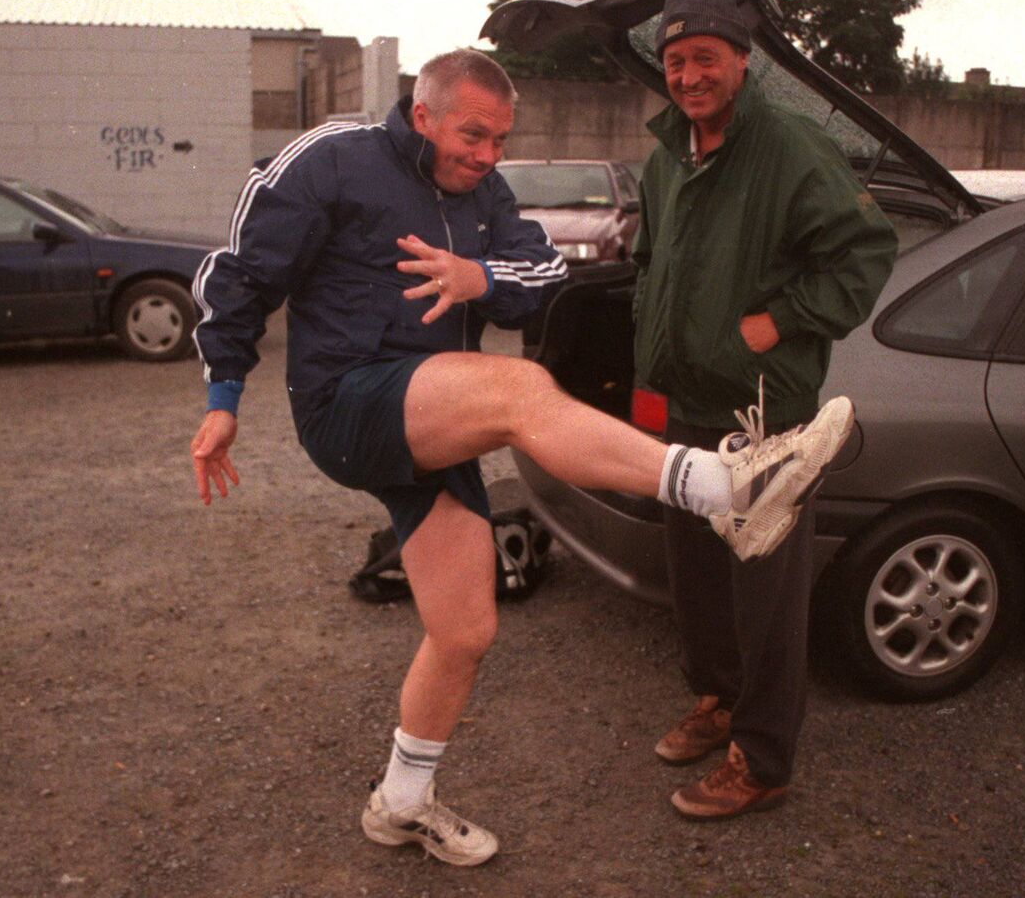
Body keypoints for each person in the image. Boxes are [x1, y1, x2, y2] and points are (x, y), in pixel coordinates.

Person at [188, 47, 853, 867]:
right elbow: (243, 270)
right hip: (349, 399)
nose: (487, 155)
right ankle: (725, 486)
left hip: (435, 424)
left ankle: (400, 802)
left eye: (501, 140)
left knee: (465, 629)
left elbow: (540, 272)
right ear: (423, 114)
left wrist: (478, 277)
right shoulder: (337, 158)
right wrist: (223, 398)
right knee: (518, 391)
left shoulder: (487, 196)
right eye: (473, 135)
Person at [633, 0, 899, 820]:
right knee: (699, 578)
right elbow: (651, 262)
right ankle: (717, 700)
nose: (688, 75)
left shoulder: (786, 146)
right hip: (686, 404)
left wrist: (778, 320)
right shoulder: (667, 155)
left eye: (704, 57)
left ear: (741, 63)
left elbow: (864, 253)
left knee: (768, 598)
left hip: (762, 414)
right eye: (675, 61)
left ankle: (765, 757)